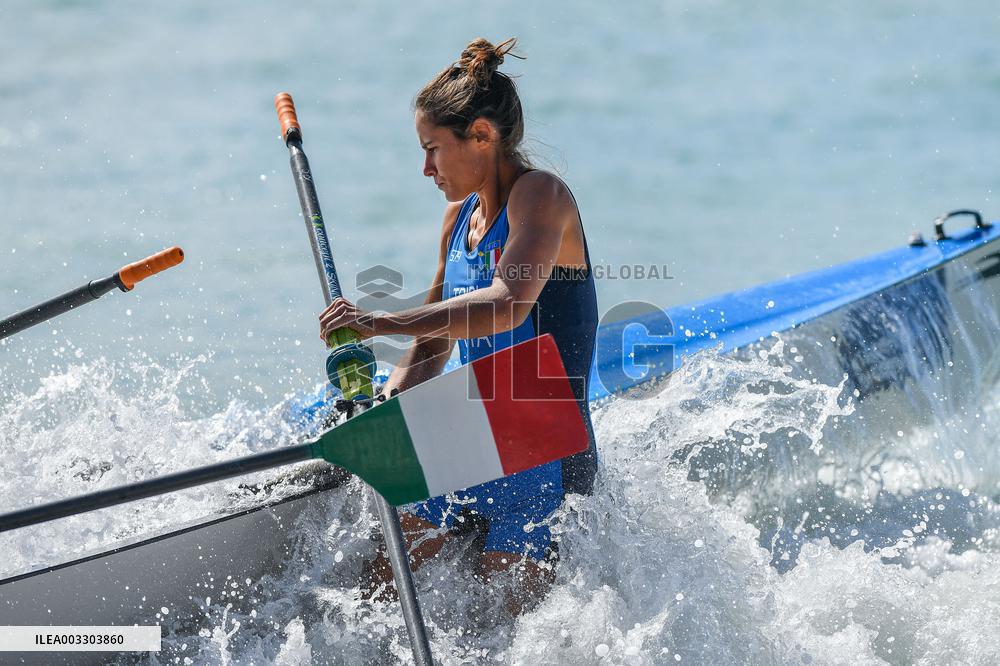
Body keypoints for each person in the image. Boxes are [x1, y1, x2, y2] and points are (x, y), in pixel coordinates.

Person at [318, 37, 598, 614]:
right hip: (472, 437)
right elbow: (433, 344)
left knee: (499, 634)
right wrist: (383, 406)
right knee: (371, 601)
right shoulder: (457, 218)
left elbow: (505, 304)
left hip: (545, 457)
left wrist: (378, 320)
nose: (425, 169)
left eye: (433, 150)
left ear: (481, 136)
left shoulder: (542, 198)